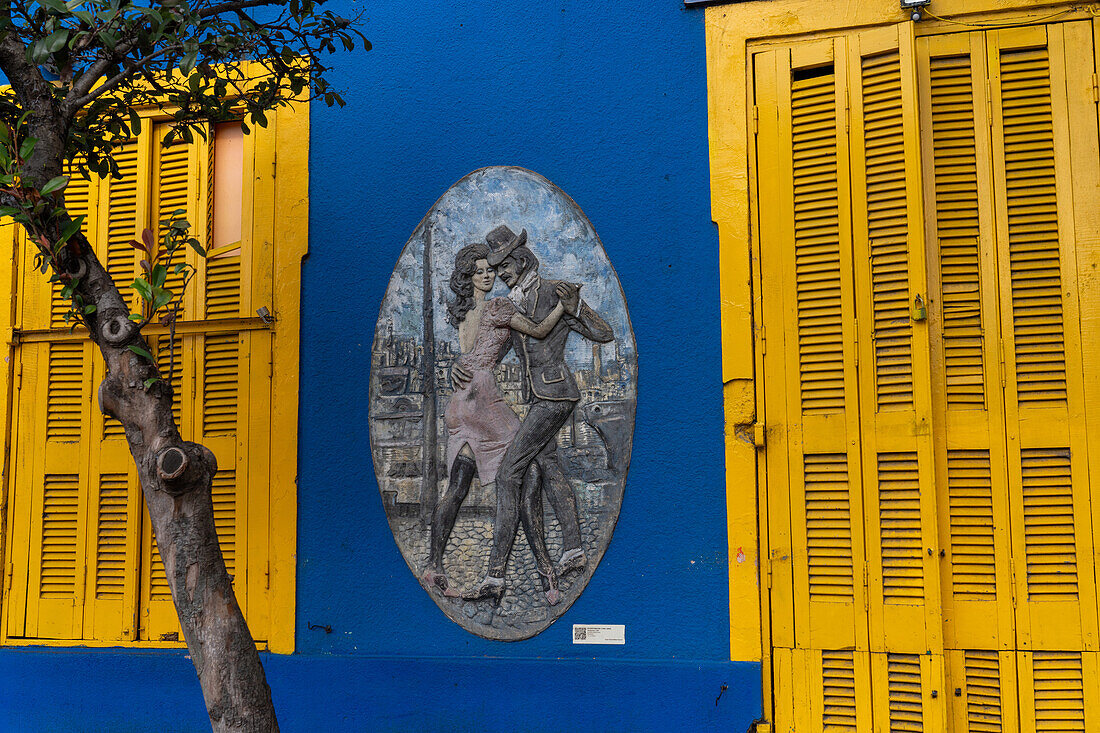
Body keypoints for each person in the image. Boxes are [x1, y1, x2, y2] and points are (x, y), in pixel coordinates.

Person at [457, 225, 613, 603]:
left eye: (504, 265)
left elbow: (604, 333)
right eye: (496, 267)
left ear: (521, 259)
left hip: (555, 394)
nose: (500, 273)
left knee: (510, 472)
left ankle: (496, 573)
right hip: (538, 398)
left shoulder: (553, 291)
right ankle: (574, 550)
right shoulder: (509, 303)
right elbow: (491, 350)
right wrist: (459, 368)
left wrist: (574, 306)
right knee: (551, 467)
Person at [423, 241, 577, 605]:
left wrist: (453, 366)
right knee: (528, 474)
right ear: (470, 278)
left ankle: (433, 565)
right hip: (485, 400)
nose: (489, 275)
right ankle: (546, 576)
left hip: (459, 404)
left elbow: (469, 353)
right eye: (480, 271)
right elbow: (538, 331)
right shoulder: (499, 306)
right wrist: (563, 307)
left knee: (457, 488)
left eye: (490, 269)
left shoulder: (460, 311)